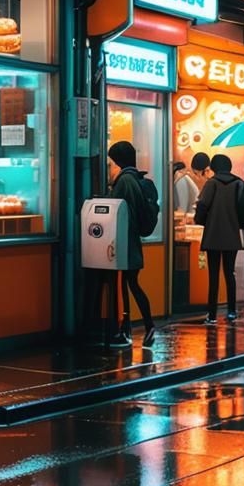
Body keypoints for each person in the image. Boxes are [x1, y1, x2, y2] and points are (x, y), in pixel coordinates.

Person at [106, 141, 156, 349]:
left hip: (124, 241)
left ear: (119, 160)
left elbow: (116, 208)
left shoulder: (125, 180)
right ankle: (132, 328)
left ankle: (135, 328)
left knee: (129, 285)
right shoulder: (134, 177)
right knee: (130, 284)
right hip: (131, 241)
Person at [195, 153, 244, 325]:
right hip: (232, 235)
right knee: (229, 273)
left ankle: (212, 314)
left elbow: (203, 205)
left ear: (214, 167)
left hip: (213, 234)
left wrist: (200, 220)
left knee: (213, 275)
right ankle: (231, 311)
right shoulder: (239, 184)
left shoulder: (212, 183)